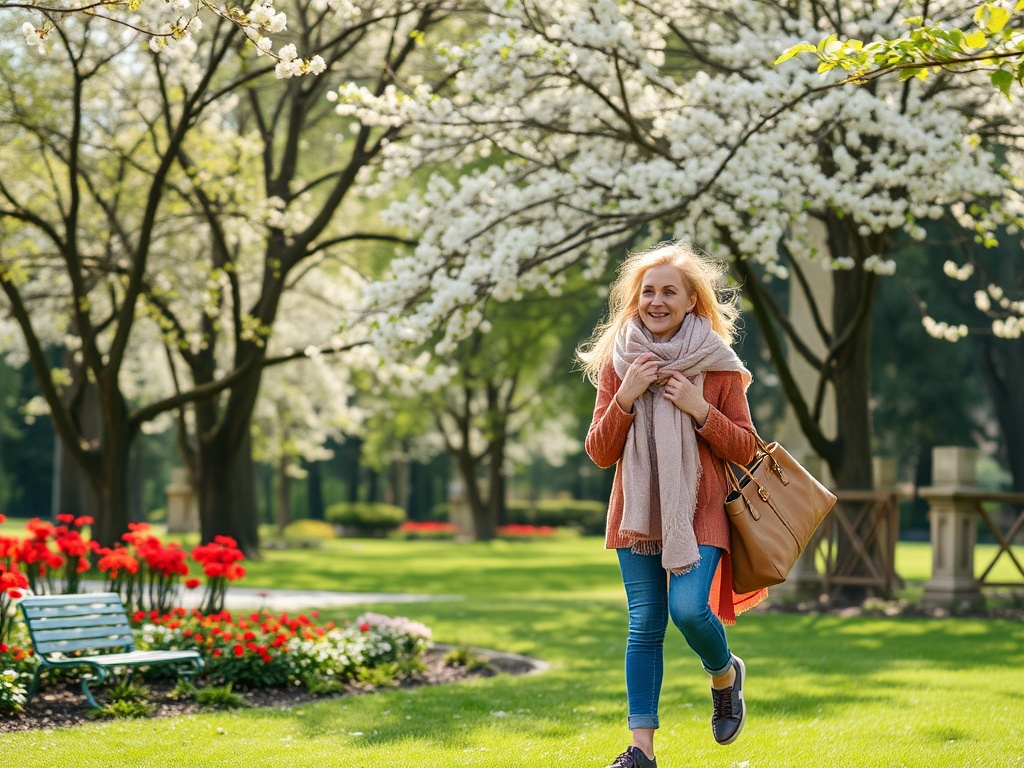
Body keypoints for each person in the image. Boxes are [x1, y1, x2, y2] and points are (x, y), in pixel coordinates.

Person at [577, 241, 769, 768]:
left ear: (692, 302)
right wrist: (625, 396)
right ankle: (641, 752)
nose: (656, 301)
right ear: (635, 300)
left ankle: (725, 673)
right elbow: (599, 451)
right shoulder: (621, 360)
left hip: (698, 510)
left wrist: (700, 408)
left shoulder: (718, 364)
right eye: (648, 292)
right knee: (644, 625)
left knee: (688, 609)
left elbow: (747, 448)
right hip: (635, 515)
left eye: (669, 292)